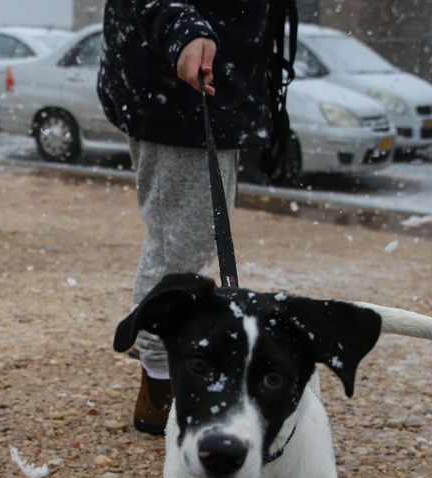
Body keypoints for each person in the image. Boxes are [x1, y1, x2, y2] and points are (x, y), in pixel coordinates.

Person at [98, 0, 295, 436]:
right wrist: (183, 29)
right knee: (180, 249)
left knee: (194, 241)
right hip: (177, 91)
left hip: (210, 87)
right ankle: (160, 386)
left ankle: (171, 377)